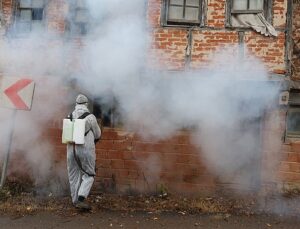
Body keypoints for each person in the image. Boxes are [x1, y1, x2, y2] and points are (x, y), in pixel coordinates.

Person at [67, 94, 101, 210]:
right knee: (89, 174)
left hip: (71, 150)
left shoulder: (70, 116)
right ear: (86, 104)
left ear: (76, 104)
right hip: (85, 150)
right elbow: (98, 134)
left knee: (74, 175)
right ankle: (81, 199)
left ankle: (75, 201)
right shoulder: (90, 117)